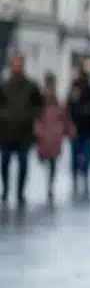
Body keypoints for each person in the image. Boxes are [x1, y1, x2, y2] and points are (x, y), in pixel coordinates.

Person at [0, 53, 45, 206]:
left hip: (24, 132)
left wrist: (30, 115)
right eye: (14, 64)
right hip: (6, 131)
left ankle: (20, 193)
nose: (16, 67)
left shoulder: (31, 86)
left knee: (23, 163)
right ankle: (5, 190)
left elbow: (39, 106)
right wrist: (5, 116)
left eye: (19, 64)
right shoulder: (4, 86)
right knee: (5, 162)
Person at [33, 73, 72, 201]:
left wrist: (66, 130)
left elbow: (65, 118)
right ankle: (49, 183)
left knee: (53, 162)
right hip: (44, 137)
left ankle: (50, 186)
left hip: (55, 137)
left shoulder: (58, 102)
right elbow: (36, 118)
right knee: (44, 159)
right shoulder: (40, 102)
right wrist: (38, 130)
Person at [66, 76, 90, 194]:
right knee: (75, 157)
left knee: (86, 157)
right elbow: (68, 111)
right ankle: (76, 179)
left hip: (88, 131)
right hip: (77, 131)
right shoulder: (73, 93)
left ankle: (84, 176)